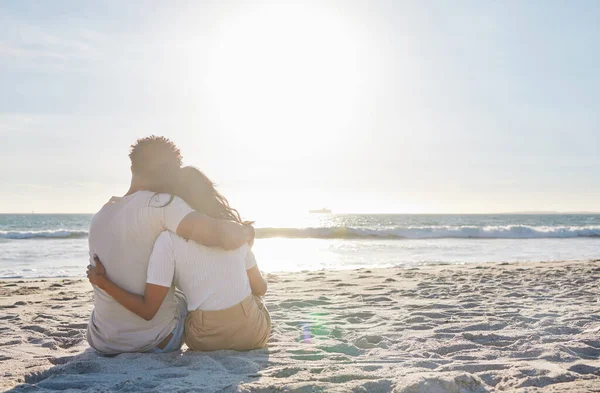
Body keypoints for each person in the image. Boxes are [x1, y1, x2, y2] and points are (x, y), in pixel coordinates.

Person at [87, 136, 254, 355]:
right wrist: (248, 231)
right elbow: (223, 236)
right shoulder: (163, 204)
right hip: (156, 341)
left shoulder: (100, 215)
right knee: (186, 297)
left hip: (101, 340)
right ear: (171, 172)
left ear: (132, 167)